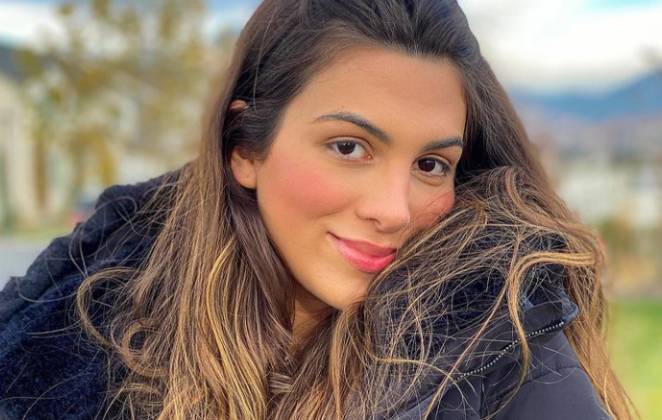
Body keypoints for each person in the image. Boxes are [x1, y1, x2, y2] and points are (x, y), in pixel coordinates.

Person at [0, 0, 634, 419]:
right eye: (349, 147)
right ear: (245, 148)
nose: (394, 211)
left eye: (430, 164)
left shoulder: (498, 358)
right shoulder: (84, 322)